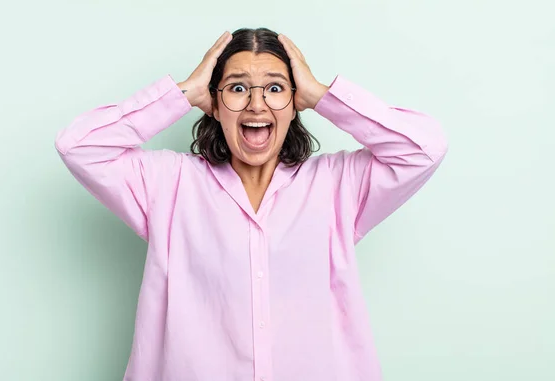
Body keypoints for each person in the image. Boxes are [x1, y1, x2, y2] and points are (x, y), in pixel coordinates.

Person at [55, 27, 448, 381]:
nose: (257, 106)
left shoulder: (336, 185)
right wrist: (181, 94)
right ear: (215, 103)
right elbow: (79, 146)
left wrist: (324, 96)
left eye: (275, 88)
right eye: (238, 88)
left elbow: (423, 150)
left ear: (296, 104)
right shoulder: (168, 184)